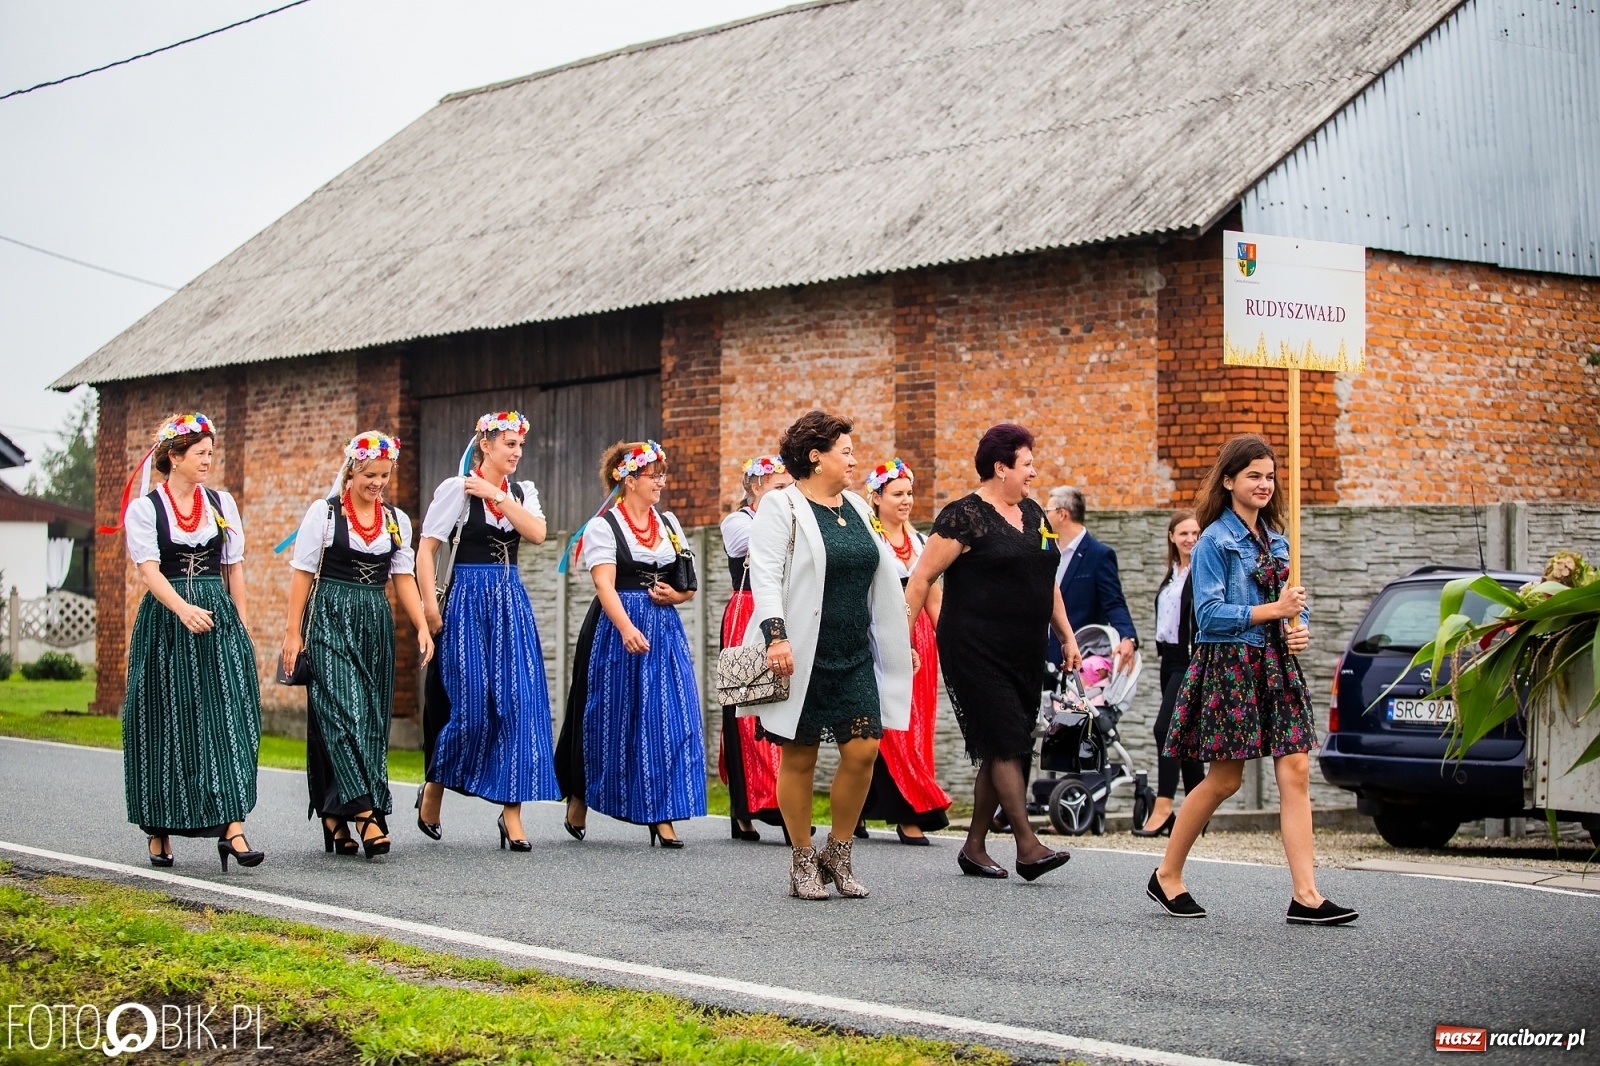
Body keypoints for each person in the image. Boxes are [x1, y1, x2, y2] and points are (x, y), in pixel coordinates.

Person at [1148, 434, 1357, 925]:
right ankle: (1167, 875)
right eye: (1253, 476)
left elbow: (1291, 611)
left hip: (1275, 664)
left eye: (1270, 476)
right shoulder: (1213, 541)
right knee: (1224, 779)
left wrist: (1297, 629)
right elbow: (1209, 615)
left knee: (1297, 768)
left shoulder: (1280, 541)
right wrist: (1275, 611)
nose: (1264, 484)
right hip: (1230, 666)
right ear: (1229, 481)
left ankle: (1306, 895)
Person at [744, 411, 912, 899]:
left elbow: (878, 579)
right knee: (799, 757)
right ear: (816, 457)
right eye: (846, 450)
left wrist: (896, 645)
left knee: (864, 751)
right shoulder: (783, 506)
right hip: (803, 651)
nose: (854, 459)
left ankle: (837, 852)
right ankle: (801, 859)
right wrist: (776, 636)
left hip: (853, 650)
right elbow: (767, 576)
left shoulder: (858, 507)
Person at [904, 424, 1080, 883]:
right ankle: (1027, 845)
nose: (1035, 473)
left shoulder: (1034, 512)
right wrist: (903, 638)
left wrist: (1067, 636)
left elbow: (1048, 580)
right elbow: (921, 579)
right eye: (1027, 464)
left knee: (1006, 744)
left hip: (1023, 648)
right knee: (1004, 738)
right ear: (1001, 467)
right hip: (973, 647)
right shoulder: (963, 516)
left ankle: (974, 846)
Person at [107, 413, 263, 871]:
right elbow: (149, 571)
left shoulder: (221, 502)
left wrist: (244, 626)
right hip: (167, 622)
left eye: (211, 454)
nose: (208, 462)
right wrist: (182, 608)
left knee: (229, 716)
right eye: (200, 454)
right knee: (164, 720)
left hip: (217, 618)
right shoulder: (146, 510)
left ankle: (232, 828)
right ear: (174, 457)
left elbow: (234, 567)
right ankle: (158, 828)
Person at [280, 432, 435, 859]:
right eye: (370, 474)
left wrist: (421, 625)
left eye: (384, 475)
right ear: (351, 470)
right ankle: (367, 813)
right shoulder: (324, 515)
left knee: (368, 718)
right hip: (329, 615)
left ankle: (334, 813)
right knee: (341, 711)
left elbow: (402, 577)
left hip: (374, 622)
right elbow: (302, 573)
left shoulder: (395, 521)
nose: (377, 483)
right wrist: (293, 632)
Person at [415, 411, 557, 852]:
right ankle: (434, 787)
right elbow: (426, 550)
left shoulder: (520, 492)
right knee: (470, 708)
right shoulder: (455, 489)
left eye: (520, 445)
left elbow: (537, 534)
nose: (516, 453)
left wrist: (498, 495)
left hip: (510, 601)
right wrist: (428, 610)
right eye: (508, 444)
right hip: (466, 602)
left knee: (518, 704)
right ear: (486, 446)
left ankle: (512, 814)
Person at [556, 440, 706, 847]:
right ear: (628, 479)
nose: (661, 480)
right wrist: (624, 627)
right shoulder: (605, 526)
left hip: (663, 629)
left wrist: (673, 597)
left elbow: (687, 585)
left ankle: (662, 813)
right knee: (608, 716)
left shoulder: (669, 524)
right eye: (652, 474)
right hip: (615, 626)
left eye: (661, 473)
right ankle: (582, 796)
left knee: (669, 717)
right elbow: (604, 583)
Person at [860, 457, 952, 844]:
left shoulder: (918, 542)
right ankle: (912, 809)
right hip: (883, 634)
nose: (906, 500)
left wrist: (951, 643)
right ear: (877, 498)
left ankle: (867, 806)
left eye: (909, 493)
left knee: (917, 726)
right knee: (888, 724)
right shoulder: (870, 537)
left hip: (922, 642)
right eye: (897, 493)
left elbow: (935, 600)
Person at [719, 455, 793, 842]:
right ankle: (751, 804)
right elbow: (762, 547)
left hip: (781, 610)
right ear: (756, 487)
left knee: (782, 702)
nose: (785, 495)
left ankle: (778, 797)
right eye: (779, 488)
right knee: (746, 706)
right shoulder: (738, 521)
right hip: (746, 612)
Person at [1134, 509, 1206, 836]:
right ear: (1172, 537)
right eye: (1184, 534)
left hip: (1191, 661)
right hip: (1170, 660)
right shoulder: (1173, 574)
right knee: (1187, 738)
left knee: (1166, 729)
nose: (1190, 539)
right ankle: (1198, 814)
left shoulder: (1203, 572)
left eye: (1195, 534)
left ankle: (1164, 806)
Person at [1046, 486, 1137, 675]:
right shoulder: (1047, 552)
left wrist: (1127, 637)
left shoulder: (1099, 555)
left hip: (1080, 660)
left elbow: (1114, 603)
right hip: (1043, 660)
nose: (1045, 517)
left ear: (1062, 514)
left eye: (1048, 511)